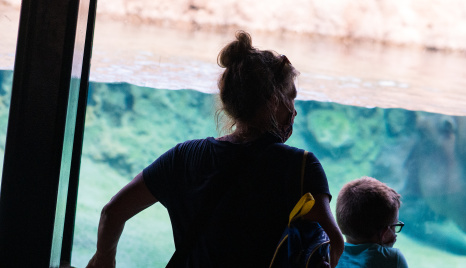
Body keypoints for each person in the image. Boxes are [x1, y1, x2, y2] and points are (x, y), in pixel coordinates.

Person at [86, 30, 344, 268]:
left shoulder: (183, 157)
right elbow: (333, 245)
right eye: (291, 97)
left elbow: (112, 213)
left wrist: (104, 260)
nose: (293, 109)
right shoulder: (300, 166)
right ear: (272, 100)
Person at [335, 177, 408, 268]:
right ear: (384, 233)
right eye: (395, 226)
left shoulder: (330, 254)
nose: (395, 235)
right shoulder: (393, 258)